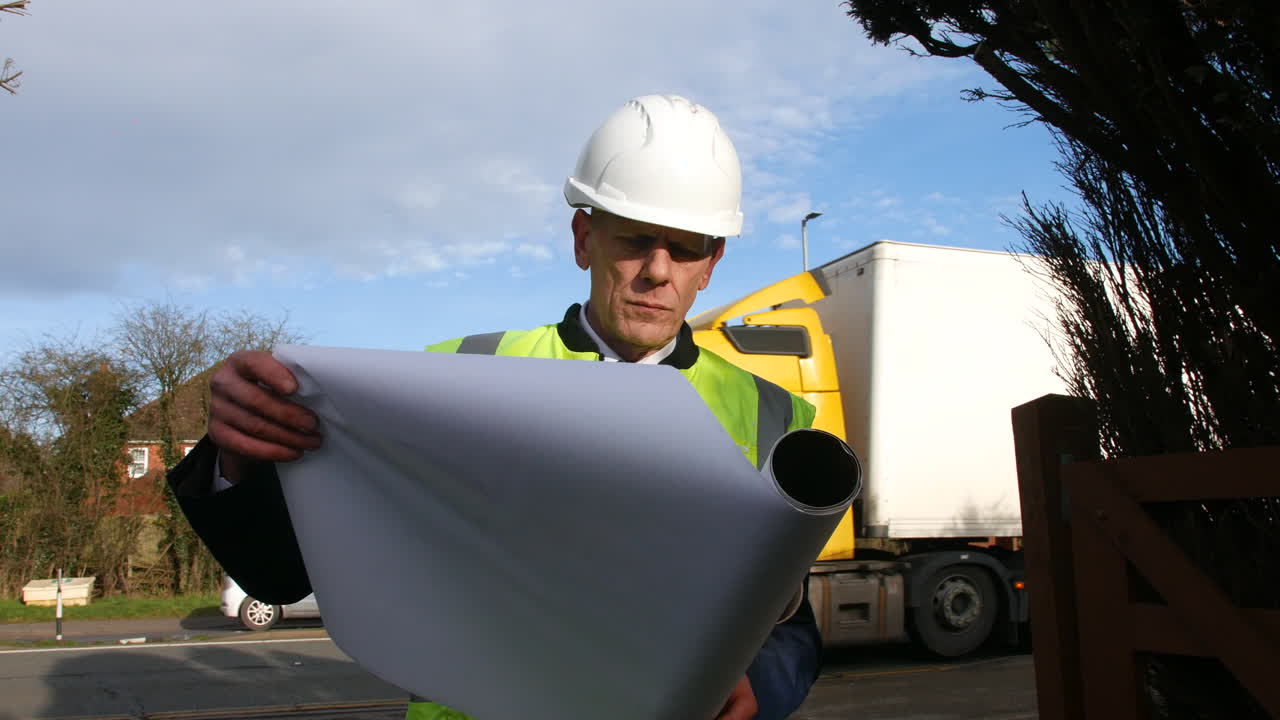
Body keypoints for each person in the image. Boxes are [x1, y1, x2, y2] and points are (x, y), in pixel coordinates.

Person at [168, 95, 823, 720]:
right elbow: (281, 573)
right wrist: (238, 450)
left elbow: (792, 630)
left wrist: (758, 687)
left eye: (684, 248)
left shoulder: (775, 419)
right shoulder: (451, 378)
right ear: (583, 238)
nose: (658, 270)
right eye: (634, 239)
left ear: (711, 264)